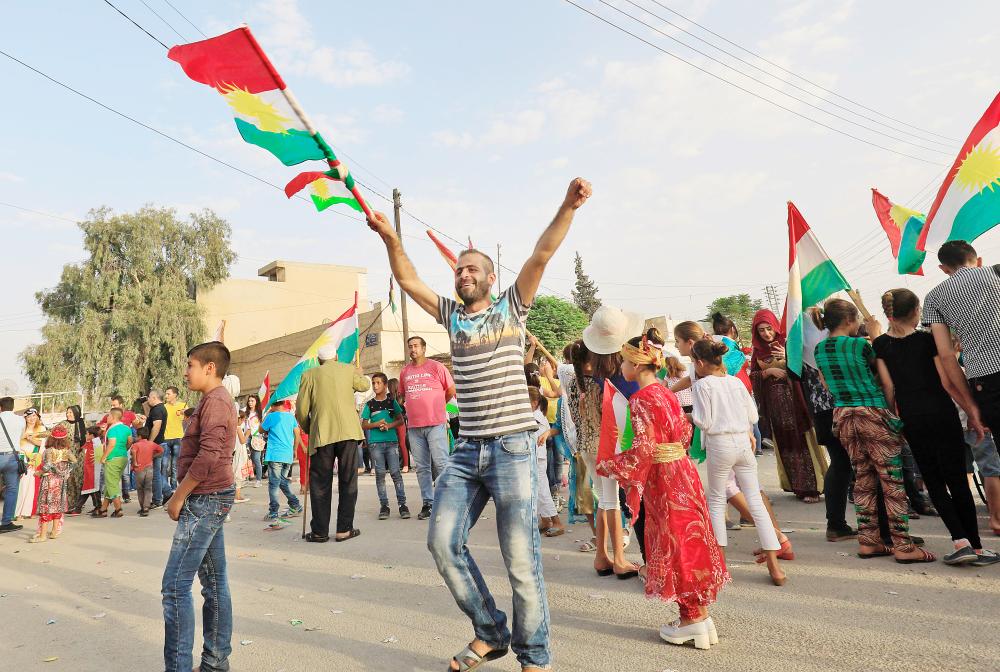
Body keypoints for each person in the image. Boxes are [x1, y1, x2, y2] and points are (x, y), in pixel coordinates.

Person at [371, 177, 592, 671]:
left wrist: (567, 205)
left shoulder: (512, 307)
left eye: (472, 269)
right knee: (441, 542)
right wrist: (391, 239)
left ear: (491, 279)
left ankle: (534, 656)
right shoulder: (451, 315)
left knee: (520, 562)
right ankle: (490, 632)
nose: (462, 273)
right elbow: (408, 281)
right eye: (459, 268)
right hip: (468, 449)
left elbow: (541, 254)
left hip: (513, 448)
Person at [598, 329, 729, 649]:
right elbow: (684, 434)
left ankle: (691, 619)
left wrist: (611, 466)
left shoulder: (641, 399)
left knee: (675, 542)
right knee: (691, 538)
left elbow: (643, 449)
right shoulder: (668, 393)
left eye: (625, 362)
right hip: (683, 470)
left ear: (638, 364)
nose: (621, 368)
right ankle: (699, 613)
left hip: (664, 478)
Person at [874, 288, 997, 566]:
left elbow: (889, 387)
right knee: (957, 478)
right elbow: (946, 382)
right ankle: (976, 547)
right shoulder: (927, 341)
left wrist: (894, 419)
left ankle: (959, 541)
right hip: (941, 413)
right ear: (917, 311)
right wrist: (972, 413)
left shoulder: (880, 345)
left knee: (933, 480)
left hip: (913, 418)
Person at [813, 298, 934, 563]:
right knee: (891, 482)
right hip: (872, 411)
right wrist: (890, 414)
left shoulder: (820, 349)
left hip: (843, 416)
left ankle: (869, 542)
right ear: (849, 321)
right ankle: (903, 546)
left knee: (863, 480)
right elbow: (886, 382)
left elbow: (826, 383)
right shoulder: (860, 345)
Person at [162, 341, 238, 672]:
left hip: (205, 498)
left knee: (175, 587)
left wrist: (179, 495)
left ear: (209, 368)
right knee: (214, 582)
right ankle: (215, 663)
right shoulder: (211, 401)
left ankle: (179, 667)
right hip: (211, 496)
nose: (185, 371)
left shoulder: (217, 401)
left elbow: (209, 455)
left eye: (190, 364)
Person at [690, 339, 786, 586]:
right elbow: (753, 415)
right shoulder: (734, 381)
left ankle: (720, 564)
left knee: (716, 501)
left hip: (720, 444)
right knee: (755, 501)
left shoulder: (703, 386)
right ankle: (775, 567)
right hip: (743, 442)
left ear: (700, 363)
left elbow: (704, 421)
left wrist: (686, 416)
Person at [921, 240, 1000, 534]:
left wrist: (971, 408)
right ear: (976, 260)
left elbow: (946, 355)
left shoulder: (934, 298)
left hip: (986, 380)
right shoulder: (996, 272)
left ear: (943, 269)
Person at [579, 306, 642, 578]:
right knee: (613, 502)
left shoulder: (583, 378)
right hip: (612, 445)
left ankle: (601, 556)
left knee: (605, 499)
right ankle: (619, 558)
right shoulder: (623, 378)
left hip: (587, 444)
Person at [295, 344, 371, 543]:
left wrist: (310, 428)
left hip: (322, 435)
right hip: (348, 432)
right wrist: (359, 372)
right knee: (348, 481)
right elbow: (364, 386)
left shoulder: (309, 375)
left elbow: (301, 411)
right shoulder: (348, 369)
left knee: (320, 484)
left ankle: (320, 531)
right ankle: (344, 529)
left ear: (319, 360)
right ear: (336, 357)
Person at [749, 309, 827, 502]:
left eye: (769, 328)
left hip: (796, 403)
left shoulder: (789, 342)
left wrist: (788, 355)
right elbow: (752, 376)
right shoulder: (758, 352)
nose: (767, 334)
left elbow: (808, 368)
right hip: (776, 408)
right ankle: (796, 486)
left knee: (803, 443)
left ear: (776, 326)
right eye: (761, 331)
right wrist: (768, 373)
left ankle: (813, 488)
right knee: (786, 445)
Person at [399, 335, 455, 520]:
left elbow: (451, 390)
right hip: (414, 427)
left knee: (441, 463)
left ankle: (446, 502)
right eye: (410, 346)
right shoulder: (405, 372)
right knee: (422, 467)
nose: (413, 349)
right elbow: (401, 394)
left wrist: (439, 406)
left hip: (436, 424)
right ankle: (428, 503)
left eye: (416, 346)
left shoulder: (436, 367)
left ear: (424, 348)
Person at [361, 373, 410, 520]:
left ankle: (402, 505)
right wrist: (376, 424)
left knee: (396, 472)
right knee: (380, 475)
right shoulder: (369, 404)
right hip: (375, 443)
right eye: (374, 383)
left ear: (385, 385)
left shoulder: (391, 402)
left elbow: (400, 420)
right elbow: (364, 424)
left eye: (378, 383)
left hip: (391, 442)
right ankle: (384, 505)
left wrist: (389, 425)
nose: (375, 386)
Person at [260, 399, 304, 525]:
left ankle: (273, 512)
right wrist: (295, 449)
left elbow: (261, 429)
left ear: (273, 404)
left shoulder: (272, 416)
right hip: (287, 454)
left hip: (275, 454)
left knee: (274, 484)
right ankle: (295, 505)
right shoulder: (291, 417)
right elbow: (297, 434)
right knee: (283, 482)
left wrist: (268, 413)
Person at [528, 386, 563, 537]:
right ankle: (546, 520)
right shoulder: (536, 414)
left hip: (537, 457)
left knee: (542, 490)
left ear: (535, 403)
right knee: (537, 489)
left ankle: (556, 522)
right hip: (535, 456)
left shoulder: (535, 417)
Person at [31, 425, 76, 543]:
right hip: (61, 482)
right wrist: (66, 472)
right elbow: (75, 462)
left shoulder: (49, 451)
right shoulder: (67, 451)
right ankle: (54, 532)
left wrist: (39, 473)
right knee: (57, 506)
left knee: (45, 506)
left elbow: (48, 465)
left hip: (49, 481)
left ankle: (42, 535)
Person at [97, 407, 131, 518]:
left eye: (108, 416)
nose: (107, 418)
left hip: (112, 458)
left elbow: (111, 444)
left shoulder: (112, 430)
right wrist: (123, 450)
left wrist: (103, 457)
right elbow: (130, 441)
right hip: (123, 458)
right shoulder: (126, 428)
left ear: (113, 417)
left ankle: (118, 508)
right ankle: (103, 509)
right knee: (111, 482)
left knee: (112, 484)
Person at [0, 396, 25, 533]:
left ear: (0, 407)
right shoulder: (20, 420)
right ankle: (6, 522)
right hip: (12, 457)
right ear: (13, 407)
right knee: (11, 490)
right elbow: (20, 437)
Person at [16, 408, 45, 520]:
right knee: (21, 486)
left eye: (34, 416)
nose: (32, 419)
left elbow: (42, 444)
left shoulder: (41, 428)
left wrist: (30, 439)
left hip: (35, 459)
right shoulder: (21, 428)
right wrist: (26, 436)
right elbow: (17, 443)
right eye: (29, 417)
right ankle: (18, 512)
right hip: (21, 459)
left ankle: (30, 511)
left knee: (33, 487)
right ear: (25, 418)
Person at [129, 426, 163, 516]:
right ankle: (146, 507)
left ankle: (142, 507)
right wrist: (153, 456)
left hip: (139, 469)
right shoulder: (151, 444)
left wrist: (135, 463)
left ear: (139, 436)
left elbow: (134, 453)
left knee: (140, 489)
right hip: (149, 468)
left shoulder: (136, 445)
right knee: (148, 488)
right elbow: (161, 450)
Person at [60, 405, 87, 515]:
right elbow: (51, 432)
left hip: (80, 456)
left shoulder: (82, 423)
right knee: (69, 480)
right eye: (67, 412)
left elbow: (91, 435)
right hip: (68, 456)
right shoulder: (63, 424)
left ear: (76, 413)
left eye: (70, 412)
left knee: (79, 479)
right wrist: (36, 435)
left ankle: (78, 504)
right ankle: (71, 505)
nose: (68, 414)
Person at [145, 390, 169, 509]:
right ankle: (167, 493)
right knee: (157, 473)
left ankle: (158, 500)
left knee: (155, 474)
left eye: (149, 397)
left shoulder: (157, 410)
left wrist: (150, 442)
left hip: (156, 444)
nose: (148, 399)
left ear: (154, 397)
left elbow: (157, 426)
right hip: (159, 444)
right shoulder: (159, 408)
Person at [162, 386, 187, 491]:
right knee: (164, 464)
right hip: (165, 438)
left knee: (174, 465)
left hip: (178, 438)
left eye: (168, 394)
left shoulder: (183, 406)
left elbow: (189, 419)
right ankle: (164, 488)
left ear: (175, 395)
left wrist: (184, 413)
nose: (166, 396)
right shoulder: (163, 407)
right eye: (166, 394)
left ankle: (173, 488)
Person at [76, 426, 103, 514]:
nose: (85, 435)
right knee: (88, 489)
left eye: (87, 433)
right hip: (89, 470)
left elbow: (98, 459)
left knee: (93, 489)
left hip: (93, 471)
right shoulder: (91, 443)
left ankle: (98, 507)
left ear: (91, 435)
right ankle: (79, 507)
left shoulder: (96, 444)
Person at [386, 377, 410, 473]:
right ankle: (397, 465)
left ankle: (406, 465)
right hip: (392, 423)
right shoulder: (388, 397)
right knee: (393, 443)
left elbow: (404, 412)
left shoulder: (400, 397)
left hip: (399, 423)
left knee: (402, 443)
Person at [243, 394, 264, 487]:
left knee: (256, 459)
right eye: (249, 401)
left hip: (257, 437)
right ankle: (245, 478)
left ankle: (258, 480)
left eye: (252, 401)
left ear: (256, 402)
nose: (250, 403)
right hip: (246, 436)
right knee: (245, 458)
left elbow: (263, 425)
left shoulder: (260, 413)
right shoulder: (244, 412)